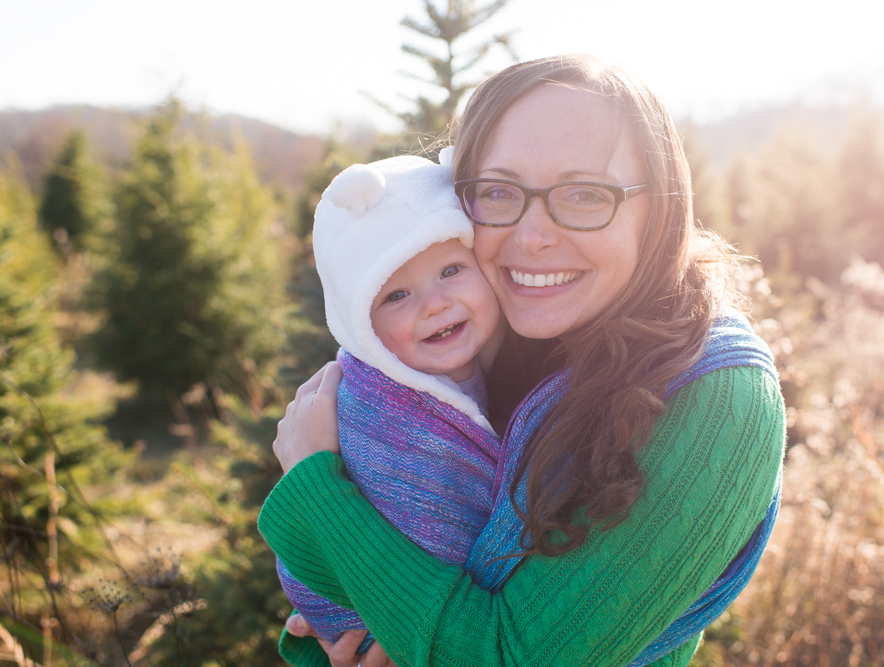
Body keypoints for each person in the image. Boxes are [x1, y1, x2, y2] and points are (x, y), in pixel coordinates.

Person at [261, 54, 785, 667]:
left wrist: (316, 490)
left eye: (586, 195)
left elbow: (510, 657)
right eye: (498, 192)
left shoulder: (720, 398)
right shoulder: (480, 344)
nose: (531, 236)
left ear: (660, 207)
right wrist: (341, 628)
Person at [276, 153, 508, 655]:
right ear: (360, 324)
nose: (434, 303)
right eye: (396, 295)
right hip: (390, 620)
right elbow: (421, 517)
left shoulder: (511, 364)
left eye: (451, 269)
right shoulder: (378, 413)